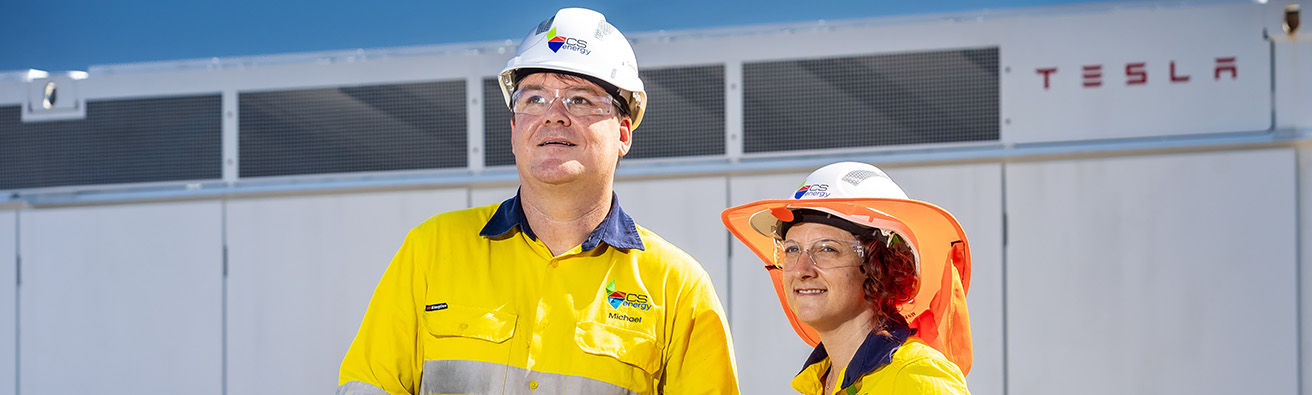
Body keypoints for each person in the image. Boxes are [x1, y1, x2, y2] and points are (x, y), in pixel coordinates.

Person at [337, 8, 739, 395]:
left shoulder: (677, 287)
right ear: (514, 130)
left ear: (622, 134)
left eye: (580, 99)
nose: (555, 115)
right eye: (534, 99)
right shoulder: (432, 249)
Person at [721, 162, 973, 395]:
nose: (801, 269)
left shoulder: (915, 377)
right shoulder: (820, 382)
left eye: (827, 249)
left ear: (881, 265)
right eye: (792, 250)